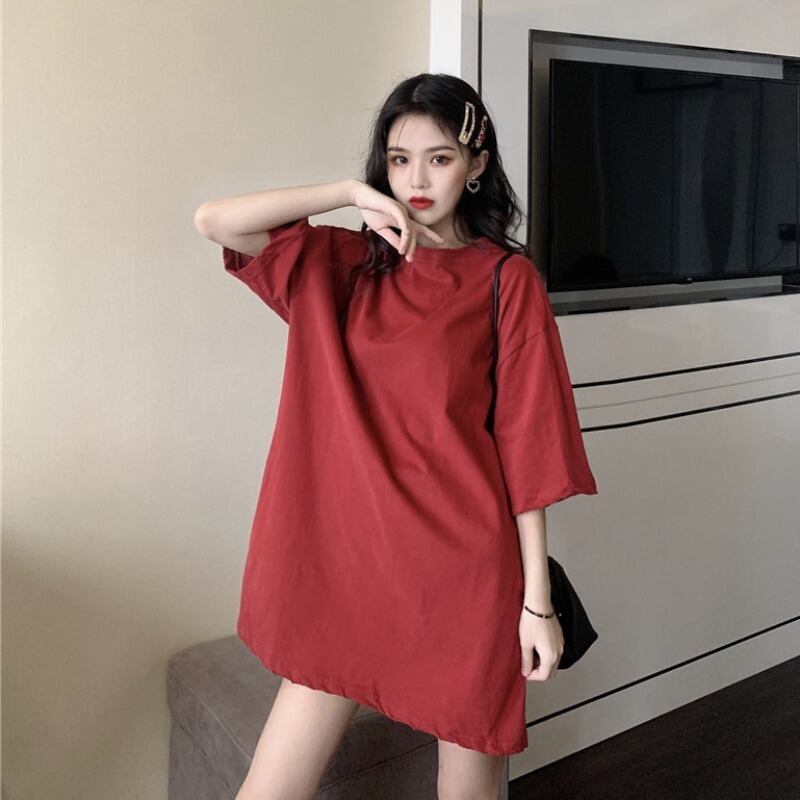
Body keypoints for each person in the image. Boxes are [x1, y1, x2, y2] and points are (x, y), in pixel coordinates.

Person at [194, 72, 598, 800]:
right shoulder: (343, 264)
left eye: (439, 158)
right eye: (399, 159)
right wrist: (348, 193)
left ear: (476, 165)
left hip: (462, 576)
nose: (416, 180)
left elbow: (529, 450)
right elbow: (215, 221)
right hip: (350, 569)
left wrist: (536, 603)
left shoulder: (506, 280)